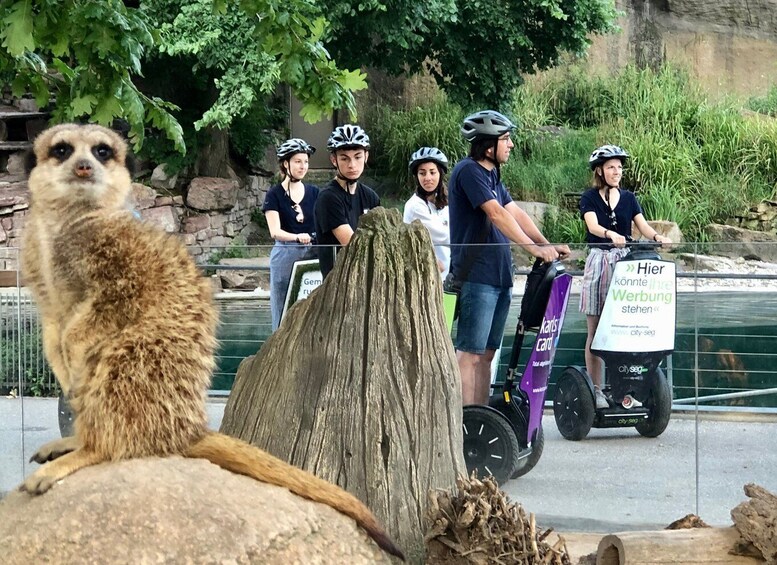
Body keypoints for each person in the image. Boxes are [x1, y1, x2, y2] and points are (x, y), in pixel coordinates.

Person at [449, 110, 570, 405]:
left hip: (499, 276)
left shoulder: (492, 175)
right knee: (470, 354)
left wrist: (546, 244)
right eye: (505, 138)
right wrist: (532, 249)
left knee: (487, 354)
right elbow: (496, 213)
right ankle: (464, 420)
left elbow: (515, 211)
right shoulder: (469, 171)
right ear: (487, 144)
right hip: (477, 278)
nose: (511, 144)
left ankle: (482, 417)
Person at [580, 144, 671, 408]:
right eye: (611, 167)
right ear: (600, 170)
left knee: (625, 328)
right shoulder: (590, 197)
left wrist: (656, 237)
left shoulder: (629, 198)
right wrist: (610, 235)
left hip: (626, 265)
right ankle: (596, 390)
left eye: (619, 167)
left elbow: (641, 225)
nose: (616, 171)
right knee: (595, 330)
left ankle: (628, 388)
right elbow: (592, 225)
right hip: (600, 261)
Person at [262, 138, 319, 331]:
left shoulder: (315, 192)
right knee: (282, 307)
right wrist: (297, 237)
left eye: (305, 161)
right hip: (286, 253)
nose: (303, 166)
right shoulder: (274, 195)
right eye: (298, 161)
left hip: (313, 252)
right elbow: (274, 231)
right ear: (286, 164)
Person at [314, 124, 380, 278]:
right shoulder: (328, 198)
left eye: (358, 157)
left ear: (366, 156)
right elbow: (352, 244)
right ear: (334, 159)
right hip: (338, 283)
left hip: (367, 279)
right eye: (344, 158)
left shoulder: (371, 197)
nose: (352, 165)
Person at [402, 147, 451, 277]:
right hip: (428, 278)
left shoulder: (445, 202)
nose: (427, 178)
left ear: (440, 173)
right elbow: (444, 235)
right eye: (422, 173)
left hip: (449, 278)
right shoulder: (415, 206)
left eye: (432, 172)